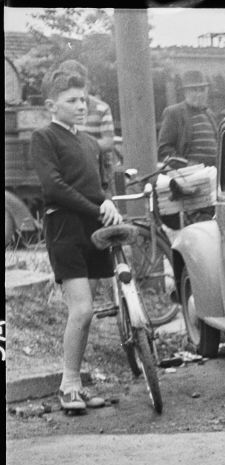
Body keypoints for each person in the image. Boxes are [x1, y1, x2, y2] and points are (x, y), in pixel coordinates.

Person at [30, 64, 123, 413]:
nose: (82, 106)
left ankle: (77, 384)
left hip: (92, 228)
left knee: (89, 312)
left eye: (83, 99)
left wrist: (108, 202)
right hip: (64, 226)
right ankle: (68, 385)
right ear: (52, 107)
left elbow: (97, 185)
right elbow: (54, 187)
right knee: (81, 309)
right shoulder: (44, 138)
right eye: (72, 100)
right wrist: (97, 208)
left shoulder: (87, 141)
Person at [157, 69, 218, 167]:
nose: (199, 94)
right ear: (185, 92)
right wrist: (186, 164)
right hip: (188, 176)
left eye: (202, 90)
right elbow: (164, 150)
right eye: (194, 90)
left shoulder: (210, 115)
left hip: (213, 173)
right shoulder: (174, 113)